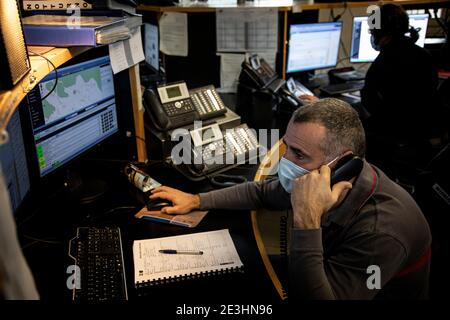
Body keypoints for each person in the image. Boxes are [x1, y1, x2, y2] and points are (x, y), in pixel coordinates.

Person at [149, 98, 432, 299]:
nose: (284, 160)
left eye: (298, 154)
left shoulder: (382, 231)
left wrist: (307, 220)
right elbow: (261, 192)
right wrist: (196, 200)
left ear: (342, 164)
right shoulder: (323, 176)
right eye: (286, 148)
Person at [361, 3, 441, 172]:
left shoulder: (383, 64)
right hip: (420, 137)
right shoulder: (424, 55)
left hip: (392, 141)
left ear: (379, 33)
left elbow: (371, 107)